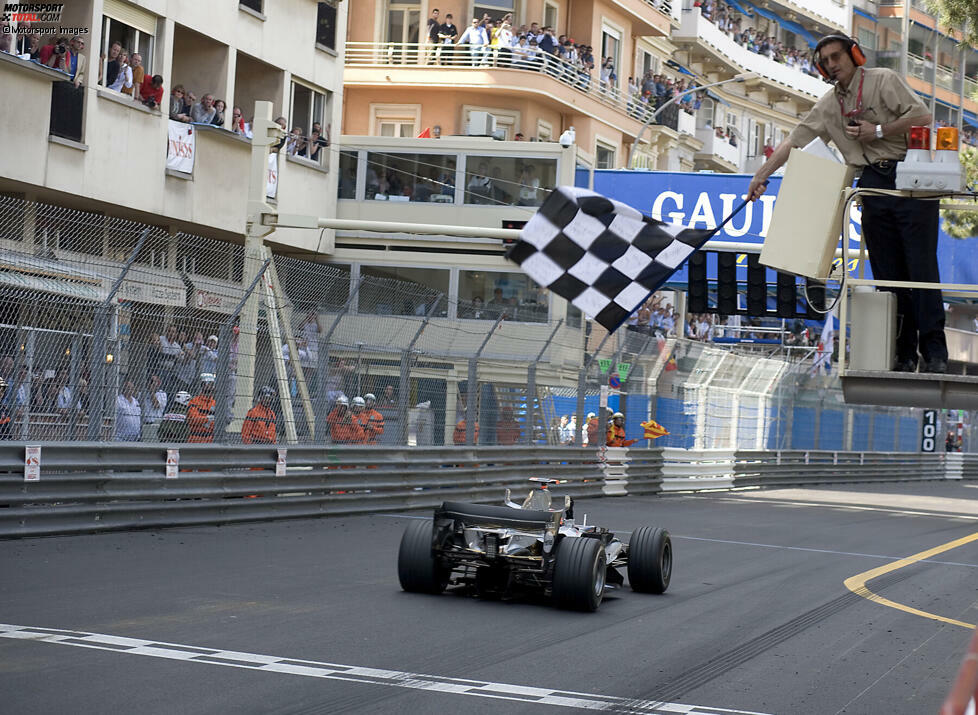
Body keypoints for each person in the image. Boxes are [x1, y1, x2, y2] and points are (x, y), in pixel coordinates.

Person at [748, 34, 945, 373]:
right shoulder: (827, 105)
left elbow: (922, 117)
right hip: (870, 183)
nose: (832, 64)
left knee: (921, 269)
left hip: (911, 176)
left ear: (854, 55)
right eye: (825, 60)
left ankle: (936, 355)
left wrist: (879, 130)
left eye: (837, 56)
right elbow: (795, 141)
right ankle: (903, 354)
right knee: (887, 276)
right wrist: (761, 175)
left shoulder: (883, 80)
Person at [187, 373, 217, 443]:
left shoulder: (215, 403)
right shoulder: (194, 401)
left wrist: (203, 420)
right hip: (195, 438)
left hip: (210, 439)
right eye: (209, 384)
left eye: (212, 384)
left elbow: (217, 422)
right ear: (203, 385)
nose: (212, 387)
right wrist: (208, 419)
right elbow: (193, 419)